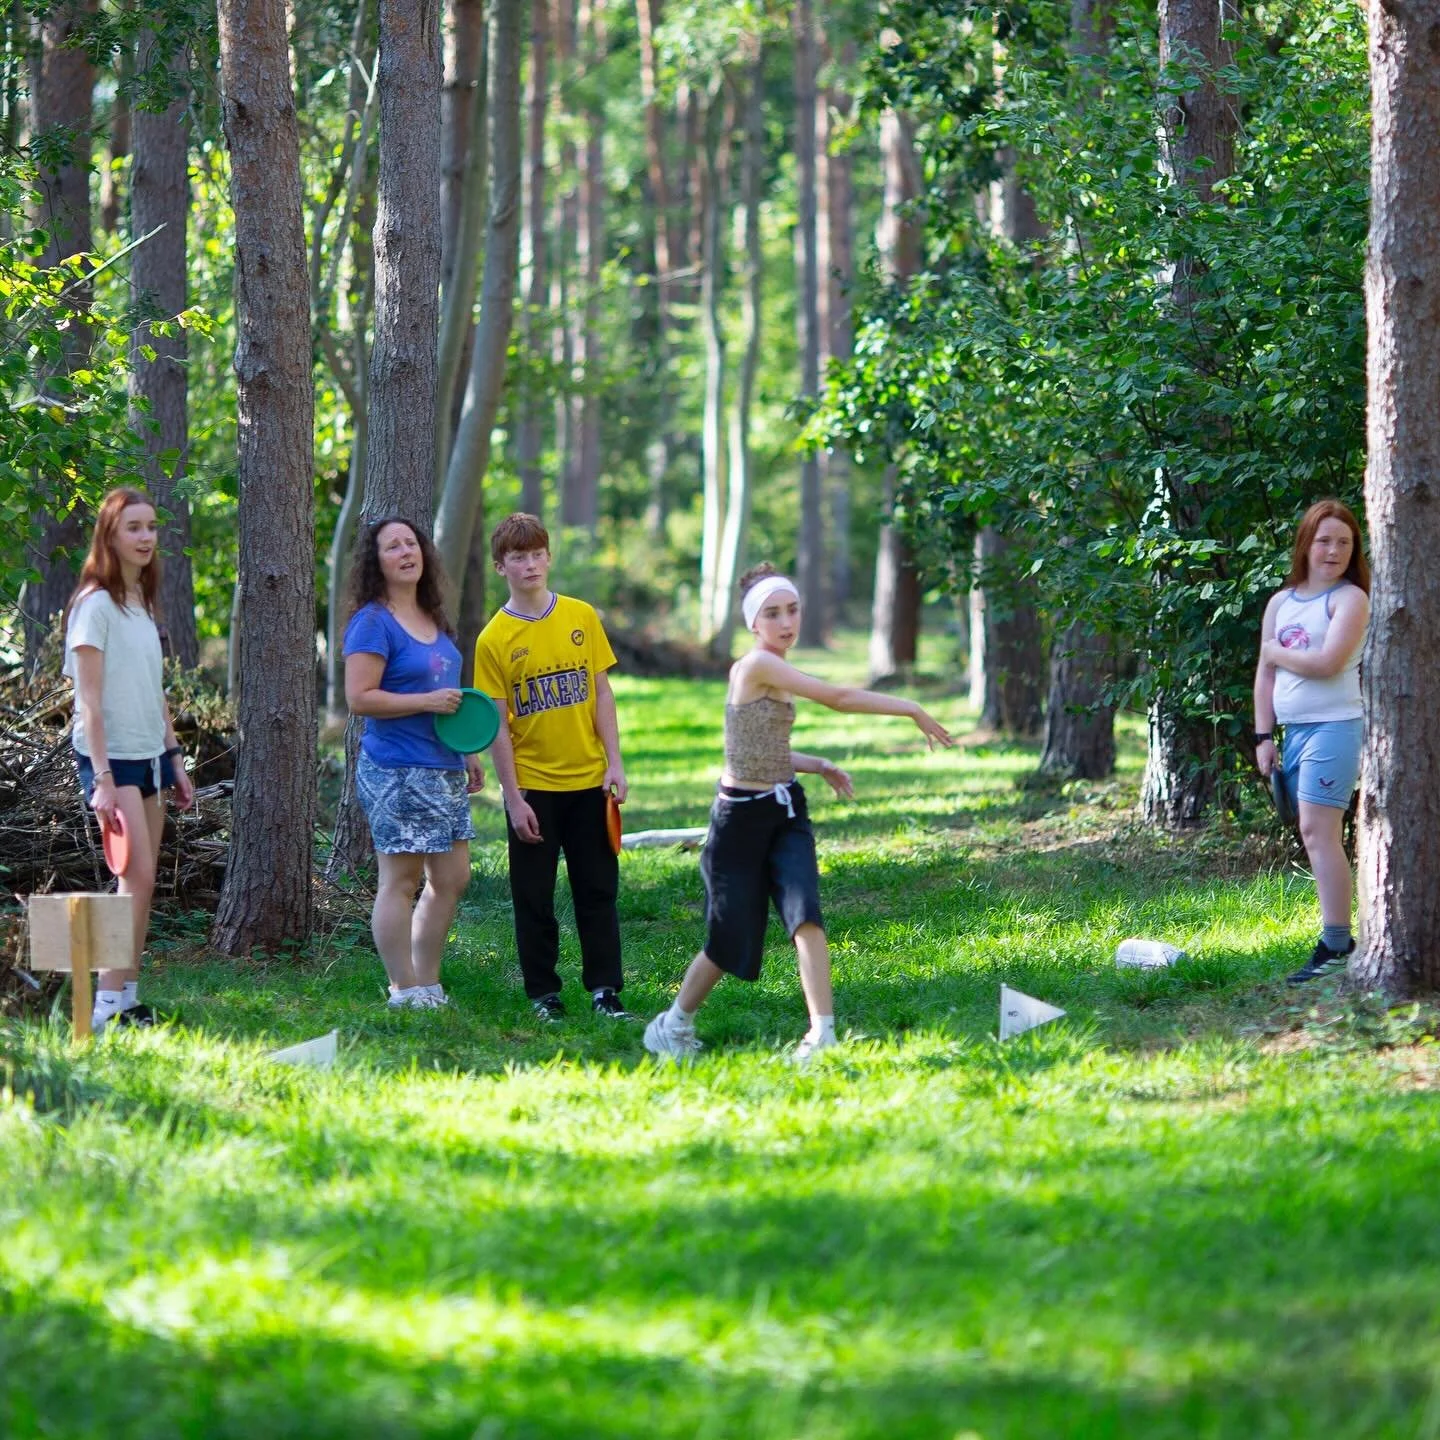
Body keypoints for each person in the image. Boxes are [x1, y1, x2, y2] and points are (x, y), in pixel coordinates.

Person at [644, 564, 955, 1062]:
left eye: (792, 609)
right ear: (753, 623)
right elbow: (839, 698)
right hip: (740, 820)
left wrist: (815, 764)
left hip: (785, 811)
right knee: (730, 939)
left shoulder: (776, 667)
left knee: (804, 914)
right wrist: (911, 707)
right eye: (773, 613)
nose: (786, 621)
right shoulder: (756, 667)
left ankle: (821, 1035)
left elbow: (759, 747)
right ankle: (673, 1023)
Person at [473, 512, 629, 1022]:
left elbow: (602, 693)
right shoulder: (493, 638)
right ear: (501, 566)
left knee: (598, 891)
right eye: (518, 557)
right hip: (535, 788)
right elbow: (497, 724)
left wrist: (615, 764)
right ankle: (544, 994)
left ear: (549, 557)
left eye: (537, 554)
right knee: (534, 899)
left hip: (589, 781)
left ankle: (605, 989)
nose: (530, 564)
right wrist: (512, 798)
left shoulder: (581, 616)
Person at [63, 486, 196, 1033]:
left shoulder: (142, 604)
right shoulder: (94, 606)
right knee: (133, 877)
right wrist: (101, 779)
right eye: (133, 528)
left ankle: (126, 999)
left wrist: (175, 757)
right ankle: (102, 1007)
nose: (146, 538)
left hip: (151, 755)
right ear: (110, 537)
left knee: (143, 881)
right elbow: (88, 701)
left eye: (150, 528)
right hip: (111, 760)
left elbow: (154, 689)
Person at [343, 516, 484, 1009]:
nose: (407, 552)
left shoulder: (433, 618)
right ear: (375, 562)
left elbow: (451, 700)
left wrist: (465, 752)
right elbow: (359, 698)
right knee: (400, 880)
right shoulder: (372, 622)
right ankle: (402, 987)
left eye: (412, 543)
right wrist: (426, 703)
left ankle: (428, 981)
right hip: (395, 768)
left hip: (442, 766)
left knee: (451, 878)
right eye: (392, 547)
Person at [1254, 498, 1370, 985]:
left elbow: (1325, 663)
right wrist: (1263, 736)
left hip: (1338, 726)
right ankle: (1340, 942)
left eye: (1344, 542)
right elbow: (1263, 676)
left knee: (1319, 831)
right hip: (1293, 732)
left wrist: (1276, 650)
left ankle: (1336, 945)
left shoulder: (1349, 600)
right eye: (1324, 540)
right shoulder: (1281, 603)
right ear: (1306, 543)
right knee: (1311, 832)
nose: (1334, 550)